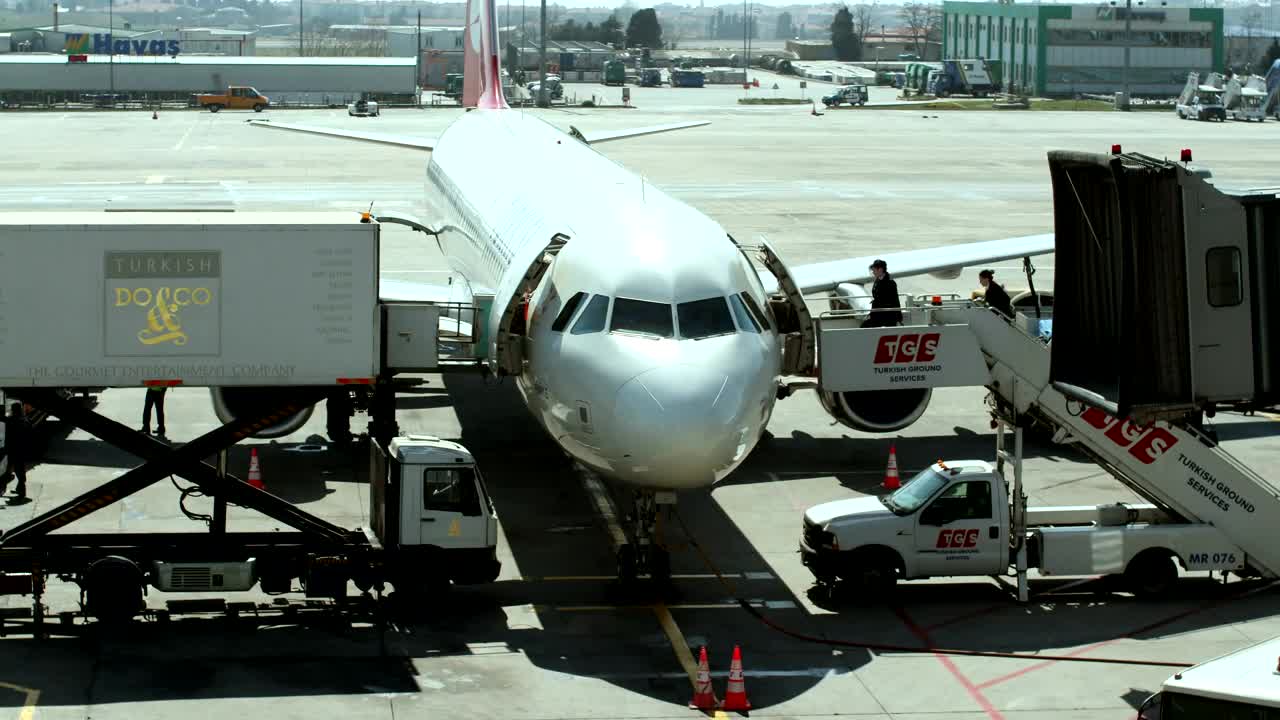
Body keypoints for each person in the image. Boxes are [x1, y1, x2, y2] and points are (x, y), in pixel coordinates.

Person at [2, 403, 31, 500]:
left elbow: (3, 419)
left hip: (13, 450)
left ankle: (21, 492)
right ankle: (19, 489)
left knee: (14, 470)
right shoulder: (25, 420)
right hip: (21, 450)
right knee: (18, 470)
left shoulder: (12, 420)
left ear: (14, 410)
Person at [863, 259, 903, 328]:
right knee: (865, 326)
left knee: (865, 327)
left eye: (874, 270)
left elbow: (895, 300)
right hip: (878, 314)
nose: (873, 272)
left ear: (880, 269)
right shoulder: (877, 280)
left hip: (887, 315)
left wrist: (898, 318)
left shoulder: (890, 283)